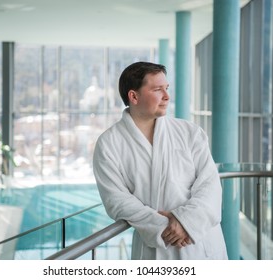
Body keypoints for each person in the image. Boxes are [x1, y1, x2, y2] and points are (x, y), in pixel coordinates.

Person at [92, 61, 228, 260]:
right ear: (134, 96)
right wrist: (165, 228)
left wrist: (187, 223)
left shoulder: (190, 132)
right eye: (157, 89)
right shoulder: (109, 143)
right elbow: (116, 200)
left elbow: (210, 185)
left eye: (167, 88)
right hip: (156, 246)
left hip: (200, 242)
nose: (167, 96)